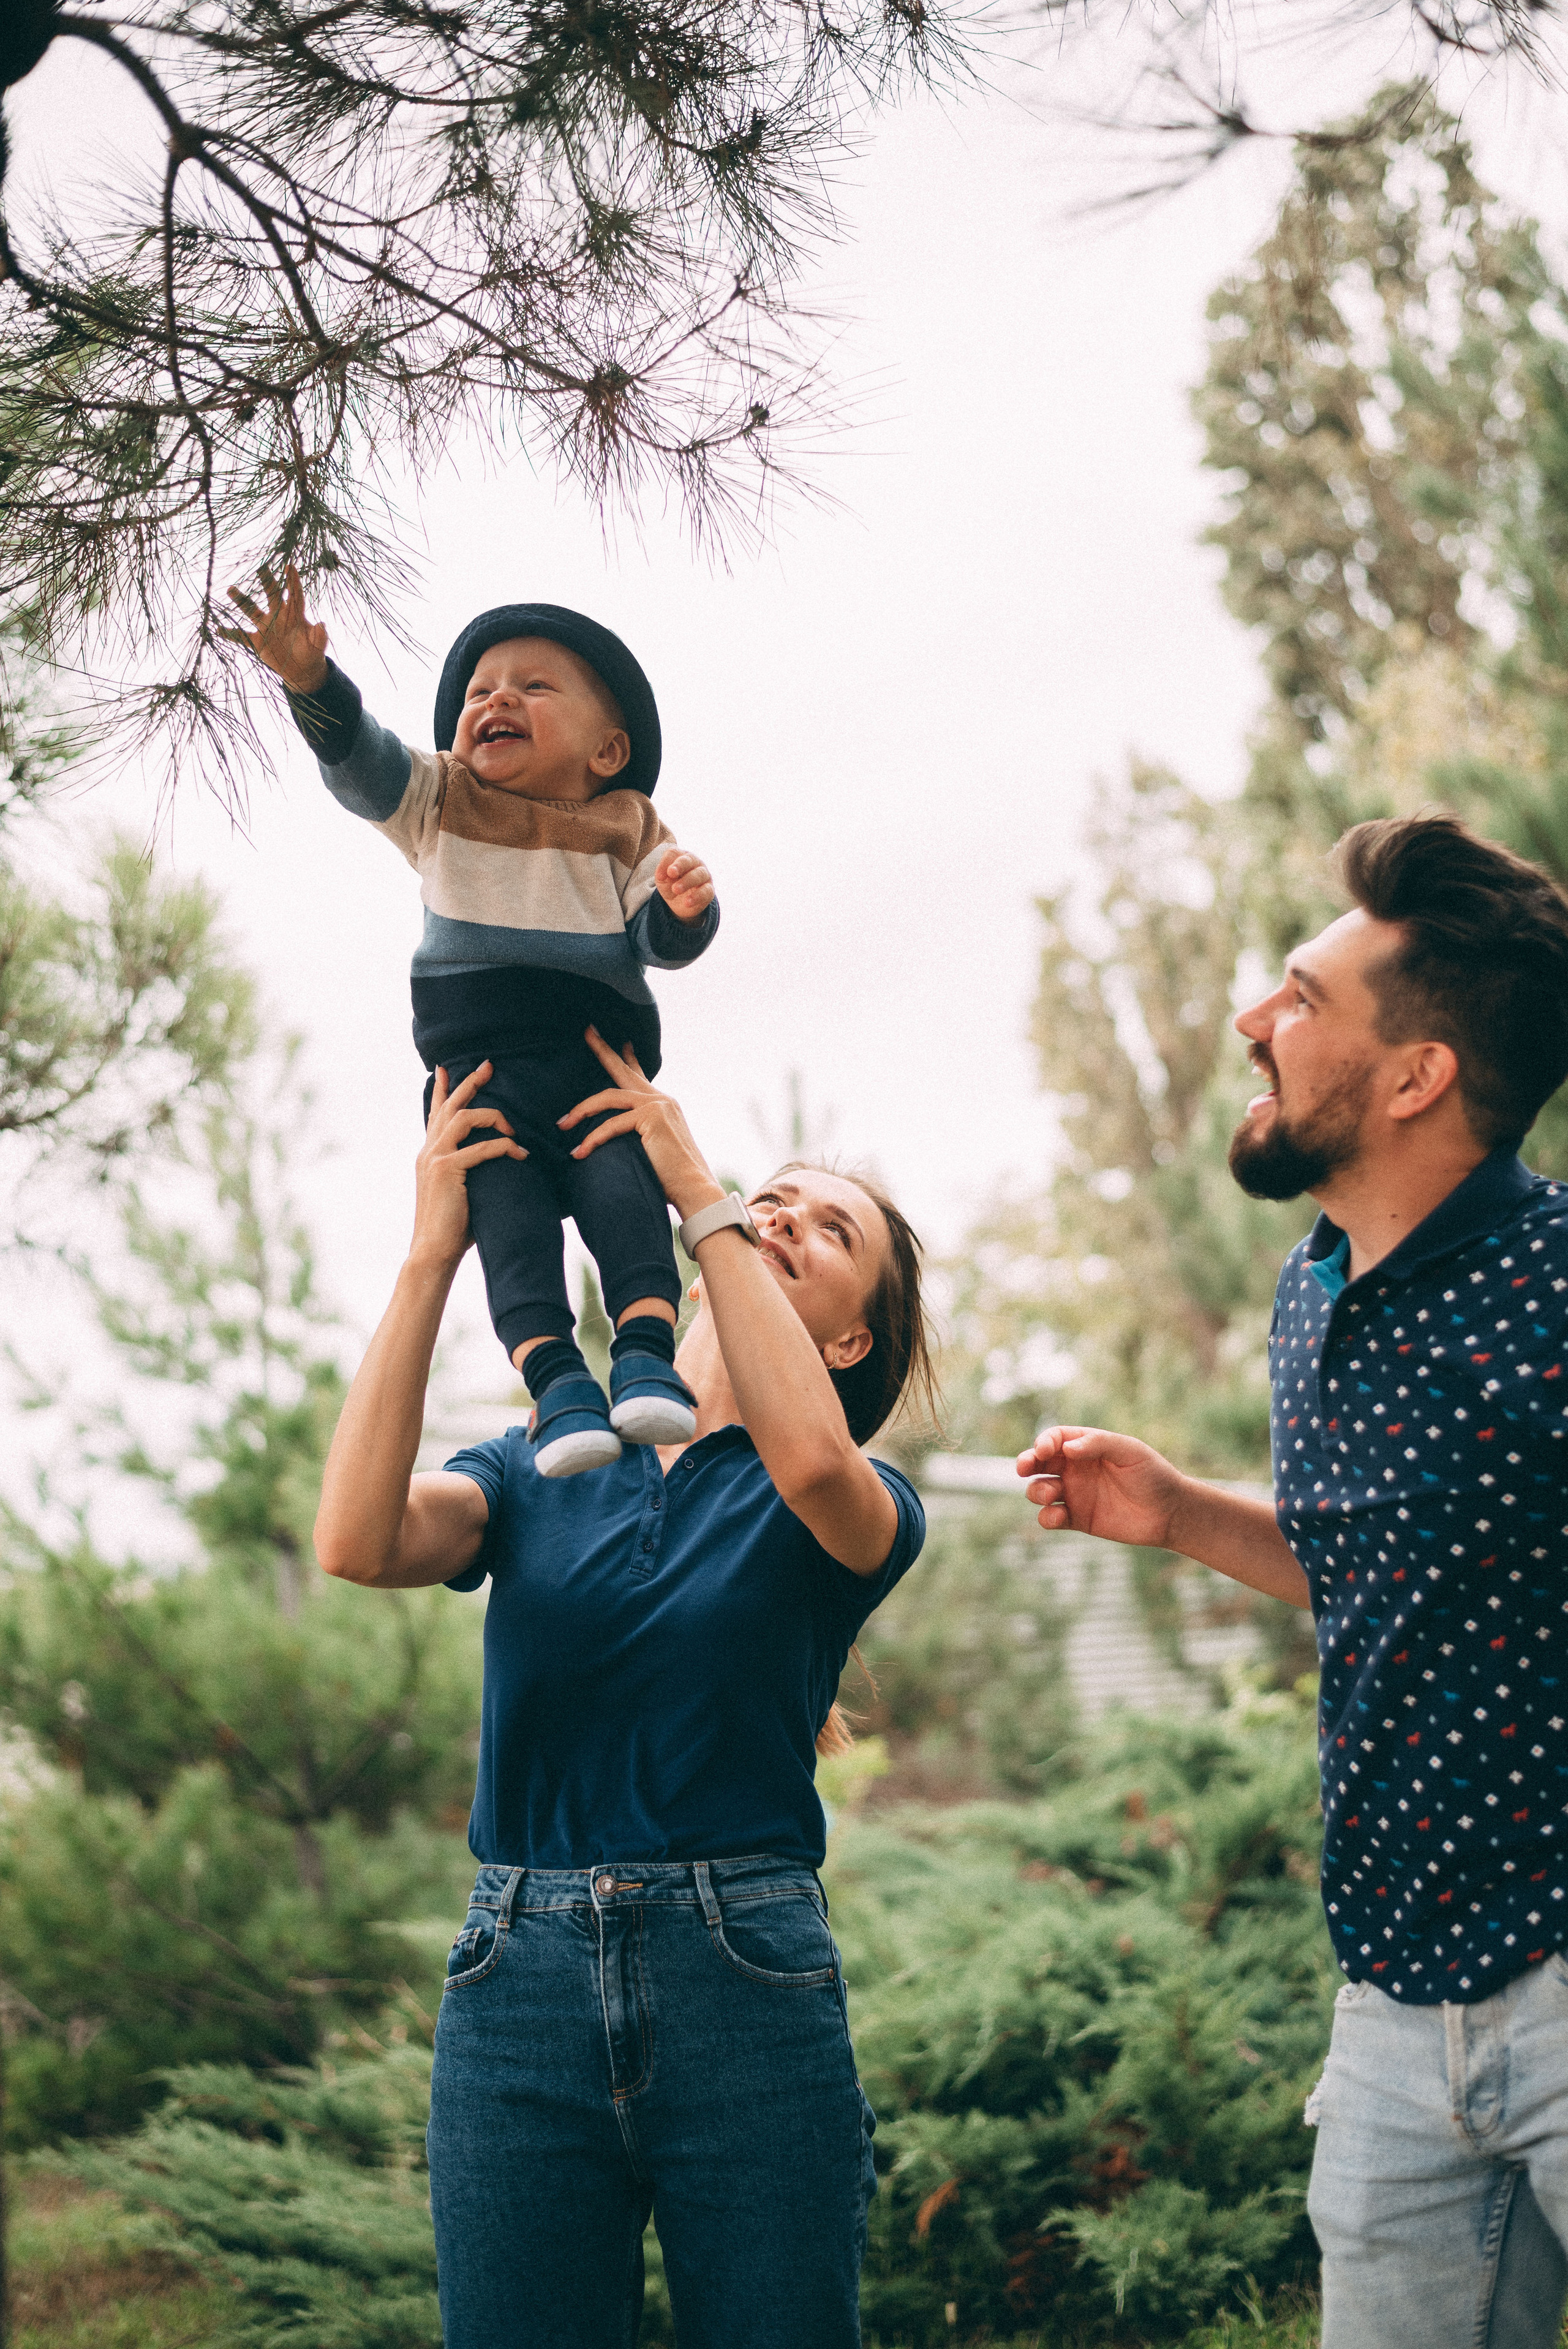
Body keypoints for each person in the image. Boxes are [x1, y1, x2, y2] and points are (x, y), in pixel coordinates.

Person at [1016, 814, 1568, 2349]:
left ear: (1414, 1077)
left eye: (1299, 997)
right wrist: (1185, 1511)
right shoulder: (1309, 1293)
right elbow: (1390, 1575)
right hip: (1393, 2001)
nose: (1253, 1020)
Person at [313, 1026, 937, 2349]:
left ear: (844, 1343)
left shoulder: (853, 1504)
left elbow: (815, 1467)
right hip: (515, 1986)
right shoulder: (548, 1460)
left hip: (744, 1987)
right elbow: (355, 1541)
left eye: (826, 1232)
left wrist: (703, 1198)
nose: (777, 1218)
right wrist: (436, 1249)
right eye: (770, 1199)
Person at [227, 562, 718, 1476]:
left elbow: (659, 936)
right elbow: (363, 762)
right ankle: (558, 1382)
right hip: (482, 1086)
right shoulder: (445, 798)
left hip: (596, 1072)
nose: (498, 698)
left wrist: (686, 910)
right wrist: (311, 684)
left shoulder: (625, 821)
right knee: (510, 1227)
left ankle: (646, 1356)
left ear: (606, 750)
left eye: (534, 686)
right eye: (482, 689)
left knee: (626, 1202)